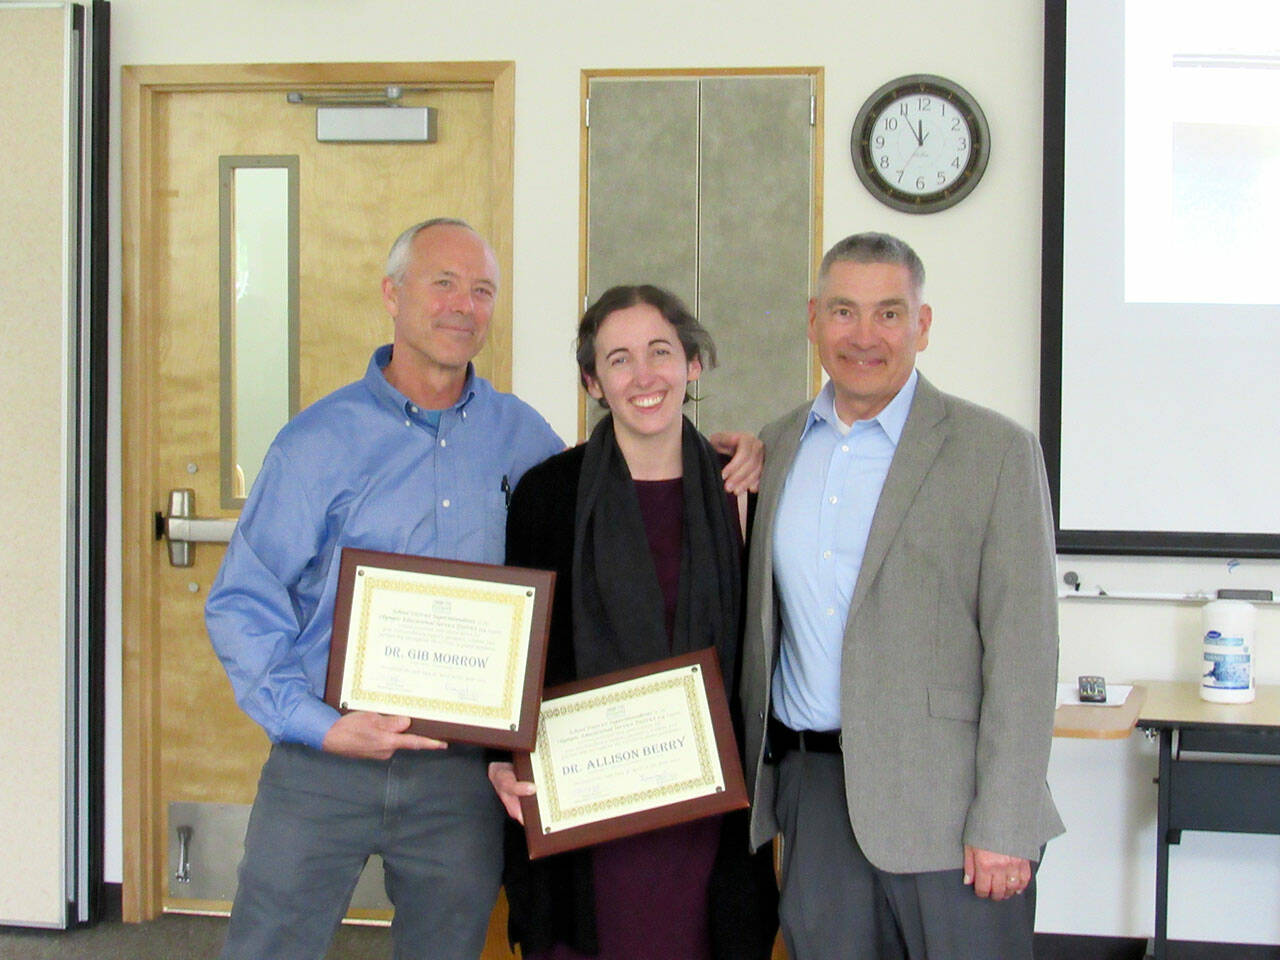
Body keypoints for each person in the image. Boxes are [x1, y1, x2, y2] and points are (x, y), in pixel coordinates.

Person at [205, 219, 763, 960]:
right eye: (442, 283)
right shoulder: (317, 442)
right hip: (326, 760)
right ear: (392, 294)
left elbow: (579, 563)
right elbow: (243, 601)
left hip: (461, 777)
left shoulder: (523, 441)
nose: (461, 305)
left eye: (481, 290)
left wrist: (733, 448)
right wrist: (315, 722)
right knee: (269, 948)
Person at [739, 233, 1064, 960]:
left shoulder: (996, 452)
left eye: (888, 314)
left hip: (951, 814)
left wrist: (1006, 821)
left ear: (921, 324)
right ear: (814, 318)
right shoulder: (779, 444)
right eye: (844, 312)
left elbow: (1025, 650)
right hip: (813, 798)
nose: (864, 336)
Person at [488, 285, 778, 960]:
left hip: (709, 810)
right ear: (593, 380)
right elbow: (517, 655)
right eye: (619, 360)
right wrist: (499, 760)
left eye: (661, 352)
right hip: (585, 810)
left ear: (692, 365)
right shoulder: (547, 495)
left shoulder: (744, 492)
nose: (643, 376)